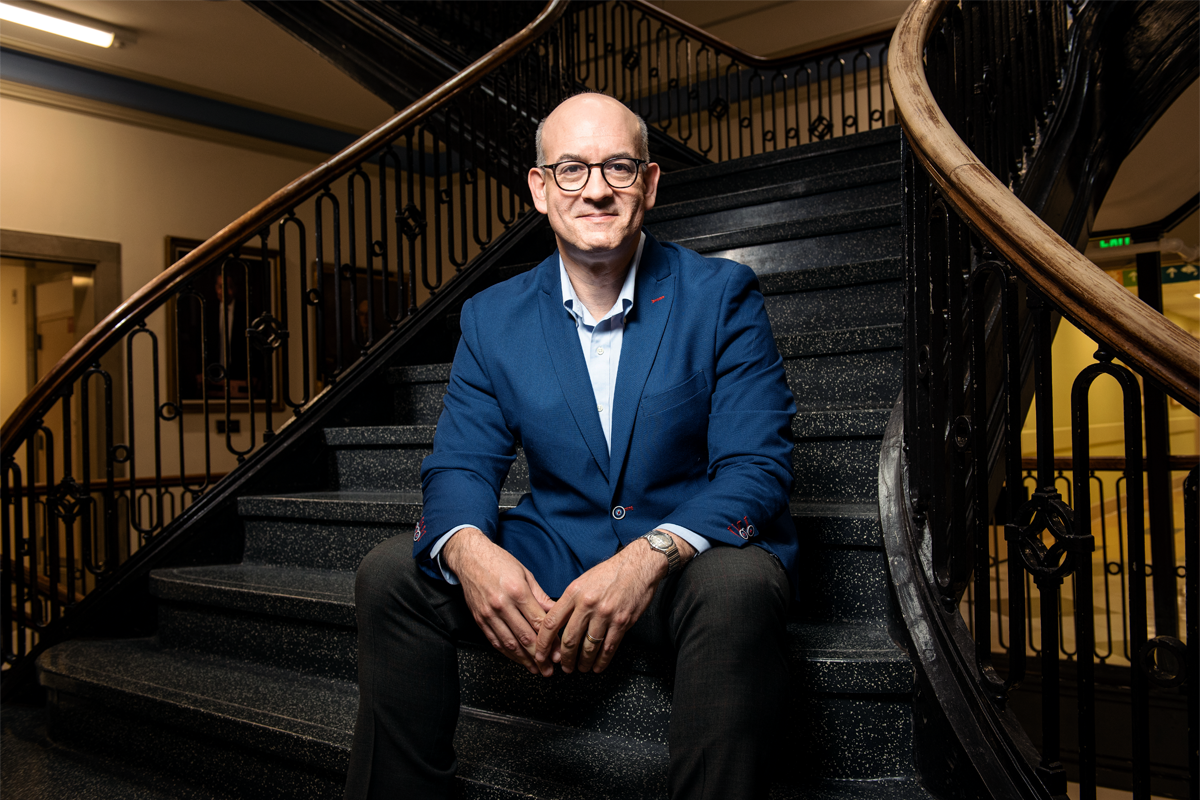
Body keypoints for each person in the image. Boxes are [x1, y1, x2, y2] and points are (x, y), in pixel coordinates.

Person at [347, 93, 798, 800]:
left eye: (618, 167)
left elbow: (757, 468)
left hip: (680, 561)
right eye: (570, 170)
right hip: (557, 544)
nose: (595, 188)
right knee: (391, 574)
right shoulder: (492, 316)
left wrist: (646, 558)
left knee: (741, 584)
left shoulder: (721, 296)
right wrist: (468, 550)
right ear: (539, 188)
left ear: (648, 183)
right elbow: (462, 463)